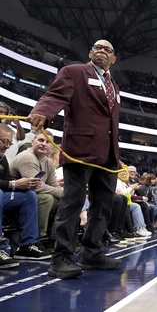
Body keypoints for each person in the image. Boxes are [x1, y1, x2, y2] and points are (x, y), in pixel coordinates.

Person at [27, 39, 123, 279]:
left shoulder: (115, 86)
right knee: (72, 204)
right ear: (90, 52)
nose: (101, 51)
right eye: (97, 48)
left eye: (107, 50)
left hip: (108, 155)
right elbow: (54, 95)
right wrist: (43, 112)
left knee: (103, 206)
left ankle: (92, 253)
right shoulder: (74, 72)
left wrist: (117, 156)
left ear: (113, 59)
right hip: (80, 150)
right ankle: (61, 258)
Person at [1, 123, 52, 269]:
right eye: (4, 142)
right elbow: (9, 183)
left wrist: (20, 184)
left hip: (3, 196)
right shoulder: (26, 157)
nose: (7, 146)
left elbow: (8, 179)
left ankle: (27, 246)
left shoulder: (3, 159)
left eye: (9, 143)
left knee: (29, 195)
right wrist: (14, 184)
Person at [10, 131, 63, 238]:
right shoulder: (27, 157)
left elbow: (53, 184)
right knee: (46, 198)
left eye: (48, 142)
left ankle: (55, 236)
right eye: (41, 140)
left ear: (52, 147)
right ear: (33, 142)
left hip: (30, 194)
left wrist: (65, 195)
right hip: (15, 195)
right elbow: (37, 187)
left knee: (63, 201)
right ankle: (38, 237)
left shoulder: (48, 162)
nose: (44, 144)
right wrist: (64, 193)